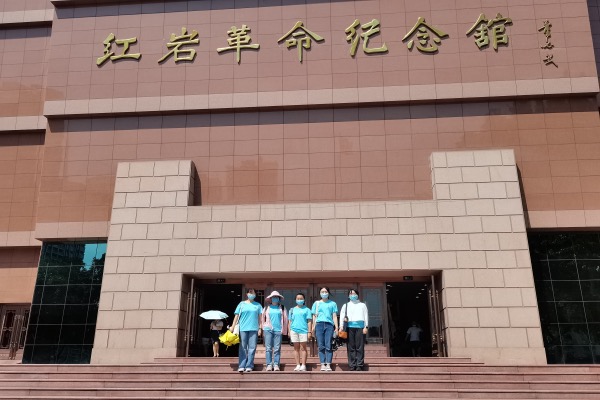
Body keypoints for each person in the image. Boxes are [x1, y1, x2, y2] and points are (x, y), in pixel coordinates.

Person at [230, 288, 262, 372]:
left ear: (255, 295)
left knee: (252, 347)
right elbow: (236, 316)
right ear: (247, 294)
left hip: (254, 328)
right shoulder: (241, 304)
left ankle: (249, 365)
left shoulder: (258, 305)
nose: (251, 294)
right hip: (243, 328)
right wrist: (232, 326)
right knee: (243, 347)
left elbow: (260, 318)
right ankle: (242, 365)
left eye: (253, 293)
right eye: (250, 293)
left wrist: (260, 328)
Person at [339, 289, 369, 371]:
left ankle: (359, 365)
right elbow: (342, 316)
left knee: (360, 347)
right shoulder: (346, 305)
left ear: (358, 295)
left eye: (354, 293)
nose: (353, 295)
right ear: (348, 296)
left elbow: (366, 315)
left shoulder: (362, 305)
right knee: (351, 347)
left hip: (360, 327)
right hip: (349, 327)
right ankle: (352, 365)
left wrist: (366, 326)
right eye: (351, 294)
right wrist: (341, 326)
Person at [311, 286, 338, 371]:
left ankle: (328, 364)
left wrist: (336, 327)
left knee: (328, 345)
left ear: (328, 293)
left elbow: (334, 316)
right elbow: (314, 316)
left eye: (325, 292)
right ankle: (322, 364)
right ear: (320, 293)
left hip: (329, 325)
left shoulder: (332, 303)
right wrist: (313, 327)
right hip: (319, 324)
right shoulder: (317, 303)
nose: (324, 293)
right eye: (322, 292)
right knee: (321, 345)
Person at [262, 290, 288, 371]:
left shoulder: (282, 308)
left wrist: (284, 330)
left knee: (277, 348)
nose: (275, 298)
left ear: (279, 299)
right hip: (268, 329)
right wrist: (262, 329)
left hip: (278, 329)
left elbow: (285, 320)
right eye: (273, 297)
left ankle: (276, 364)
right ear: (270, 299)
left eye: (277, 297)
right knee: (268, 348)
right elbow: (262, 319)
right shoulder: (266, 308)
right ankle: (269, 364)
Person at [288, 292, 313, 372]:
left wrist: (309, 331)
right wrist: (289, 331)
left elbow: (309, 321)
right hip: (294, 330)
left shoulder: (307, 310)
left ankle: (303, 365)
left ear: (304, 299)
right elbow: (290, 321)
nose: (299, 300)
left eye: (301, 298)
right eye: (298, 299)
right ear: (295, 300)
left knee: (303, 348)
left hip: (303, 330)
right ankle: (298, 364)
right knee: (296, 348)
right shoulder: (292, 310)